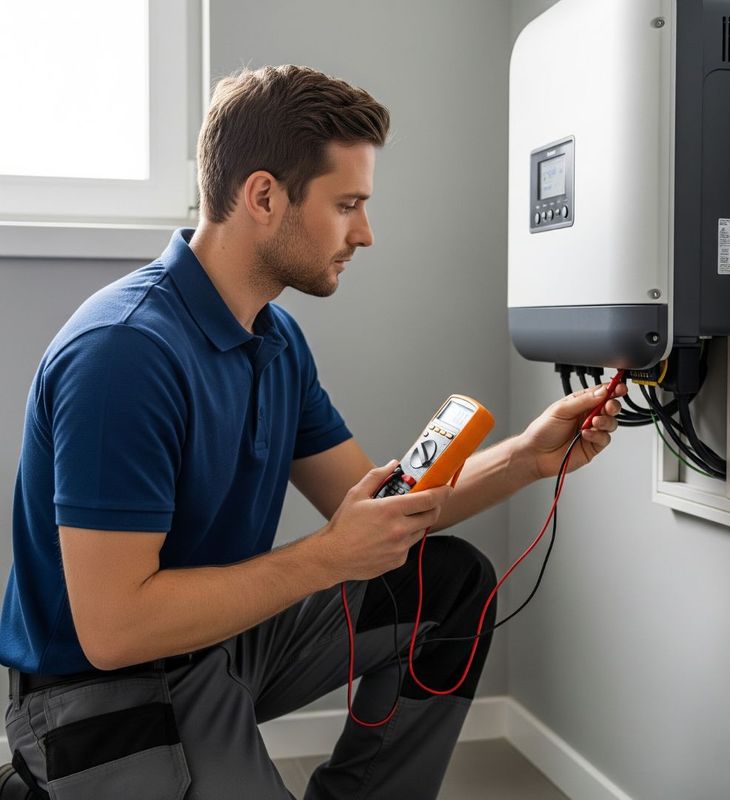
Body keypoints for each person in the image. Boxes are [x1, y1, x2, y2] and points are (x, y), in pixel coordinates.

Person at [0, 65, 625, 799]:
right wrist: (326, 557)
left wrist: (527, 457)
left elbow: (379, 519)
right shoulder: (123, 353)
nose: (365, 232)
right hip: (100, 692)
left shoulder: (276, 339)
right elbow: (113, 630)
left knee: (448, 583)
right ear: (264, 196)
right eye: (348, 204)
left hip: (220, 647)